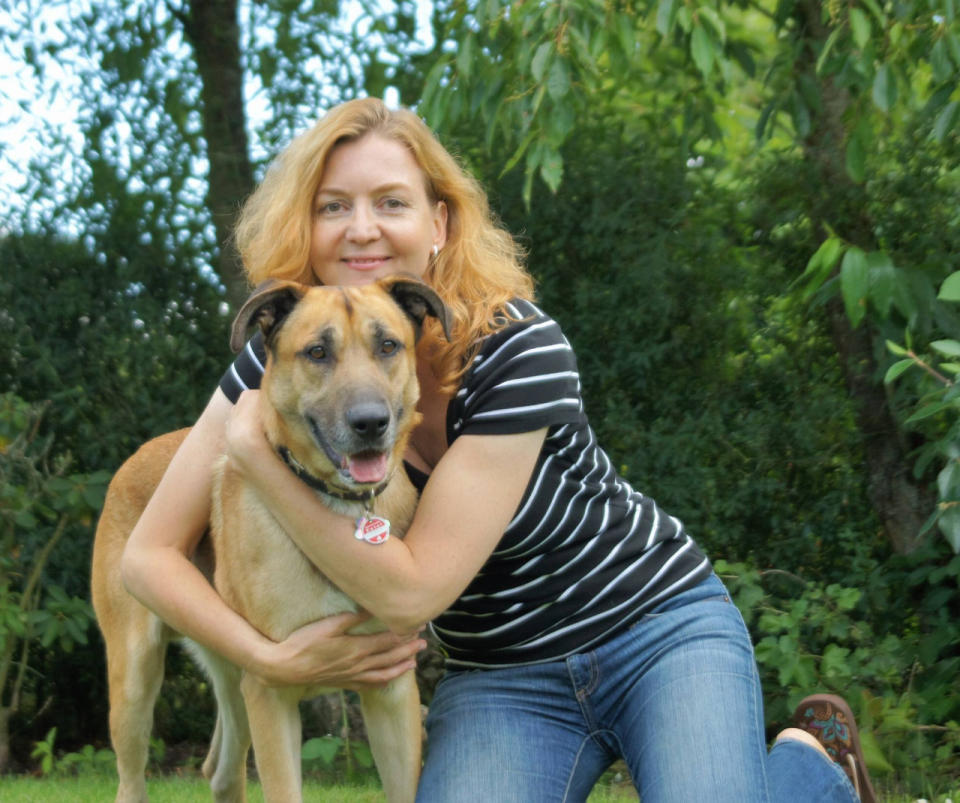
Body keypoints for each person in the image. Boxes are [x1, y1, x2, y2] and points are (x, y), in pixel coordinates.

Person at [121, 97, 877, 802]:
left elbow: (412, 595)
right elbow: (146, 555)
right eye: (332, 207)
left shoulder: (520, 347)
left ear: (439, 223)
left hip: (654, 630)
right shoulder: (286, 354)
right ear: (304, 228)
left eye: (391, 202)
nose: (361, 229)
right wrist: (269, 661)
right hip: (503, 678)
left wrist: (254, 458)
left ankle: (808, 763)